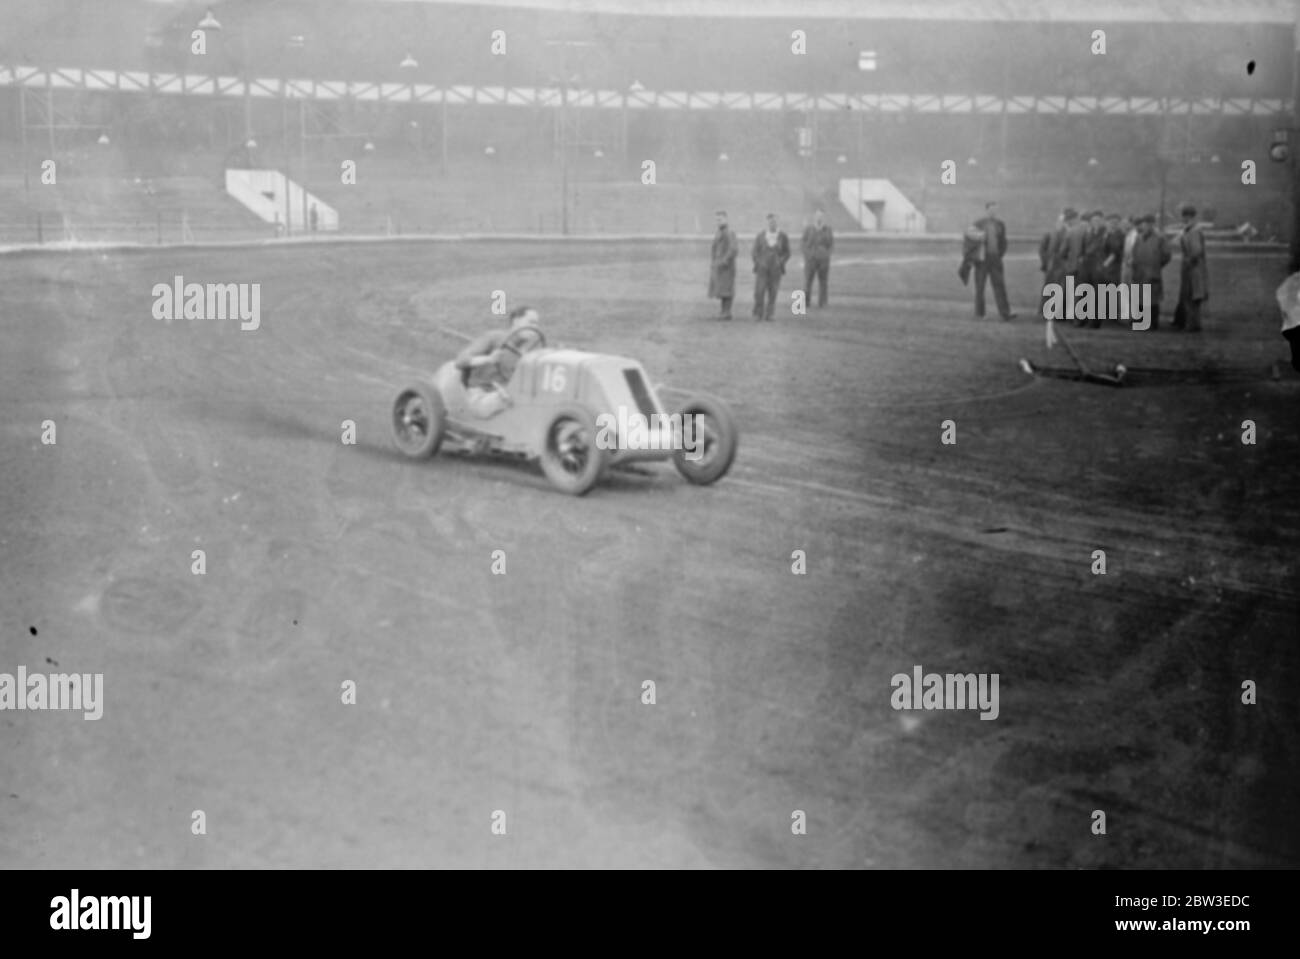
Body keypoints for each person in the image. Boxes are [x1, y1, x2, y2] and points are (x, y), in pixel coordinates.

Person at [454, 306, 545, 418]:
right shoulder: (493, 337)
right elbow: (460, 361)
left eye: (537, 324)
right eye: (531, 322)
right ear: (516, 321)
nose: (535, 328)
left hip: (509, 397)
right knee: (511, 399)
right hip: (481, 396)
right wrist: (488, 359)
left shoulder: (529, 350)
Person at [972, 201, 1015, 320]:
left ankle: (1005, 313)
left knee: (1000, 285)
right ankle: (979, 313)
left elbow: (1003, 241)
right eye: (991, 210)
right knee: (980, 286)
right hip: (982, 260)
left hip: (995, 259)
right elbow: (972, 241)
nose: (993, 212)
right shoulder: (979, 224)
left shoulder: (1000, 224)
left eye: (995, 210)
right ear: (986, 210)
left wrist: (1000, 254)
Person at [1129, 214, 1171, 330]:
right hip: (1139, 271)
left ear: (1153, 224)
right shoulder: (1139, 237)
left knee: (1152, 298)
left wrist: (1156, 265)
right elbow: (1134, 252)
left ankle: (1152, 322)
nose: (1146, 226)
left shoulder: (1160, 238)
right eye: (1145, 223)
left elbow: (1166, 255)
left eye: (1149, 223)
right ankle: (1139, 319)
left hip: (1152, 272)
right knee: (1139, 296)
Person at [1174, 203, 1208, 332]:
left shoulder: (1194, 231)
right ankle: (1192, 323)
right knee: (1190, 295)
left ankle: (1192, 324)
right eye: (1184, 216)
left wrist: (1189, 261)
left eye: (1187, 216)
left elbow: (1196, 251)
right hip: (1192, 266)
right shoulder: (1190, 230)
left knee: (1192, 295)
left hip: (1193, 268)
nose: (1184, 219)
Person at [751, 213, 790, 321]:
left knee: (773, 291)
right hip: (762, 269)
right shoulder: (761, 236)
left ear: (777, 222)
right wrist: (758, 262)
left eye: (774, 221)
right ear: (767, 222)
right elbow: (754, 252)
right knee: (759, 291)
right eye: (770, 221)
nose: (772, 223)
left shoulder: (782, 236)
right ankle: (758, 313)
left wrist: (780, 262)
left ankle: (770, 314)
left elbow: (787, 252)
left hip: (775, 269)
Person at [708, 210, 739, 320]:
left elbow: (733, 249)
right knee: (722, 289)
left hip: (727, 267)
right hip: (719, 266)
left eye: (720, 219)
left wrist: (724, 261)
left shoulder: (729, 233)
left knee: (727, 289)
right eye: (717, 220)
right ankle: (723, 311)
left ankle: (727, 312)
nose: (718, 222)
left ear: (726, 219)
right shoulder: (719, 232)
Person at [800, 208, 834, 308]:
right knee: (807, 281)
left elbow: (831, 245)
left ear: (824, 217)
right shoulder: (808, 229)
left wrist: (827, 255)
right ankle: (806, 302)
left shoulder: (828, 229)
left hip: (823, 261)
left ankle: (822, 302)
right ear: (814, 216)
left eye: (821, 216)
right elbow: (802, 244)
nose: (819, 217)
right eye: (817, 215)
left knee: (823, 282)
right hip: (811, 260)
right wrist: (808, 255)